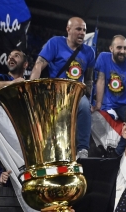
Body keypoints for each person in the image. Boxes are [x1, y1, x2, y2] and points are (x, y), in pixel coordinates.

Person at [29, 17, 95, 159]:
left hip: (75, 92)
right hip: (55, 90)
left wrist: (89, 97)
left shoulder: (89, 52)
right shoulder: (55, 43)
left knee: (84, 106)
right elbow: (39, 64)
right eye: (78, 29)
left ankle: (83, 150)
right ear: (68, 29)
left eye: (84, 30)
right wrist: (30, 89)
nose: (82, 33)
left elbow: (89, 78)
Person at [93, 35, 126, 156]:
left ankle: (116, 154)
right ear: (111, 48)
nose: (122, 51)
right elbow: (101, 80)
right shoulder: (103, 57)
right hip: (106, 102)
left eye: (125, 48)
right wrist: (98, 104)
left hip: (124, 104)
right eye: (119, 48)